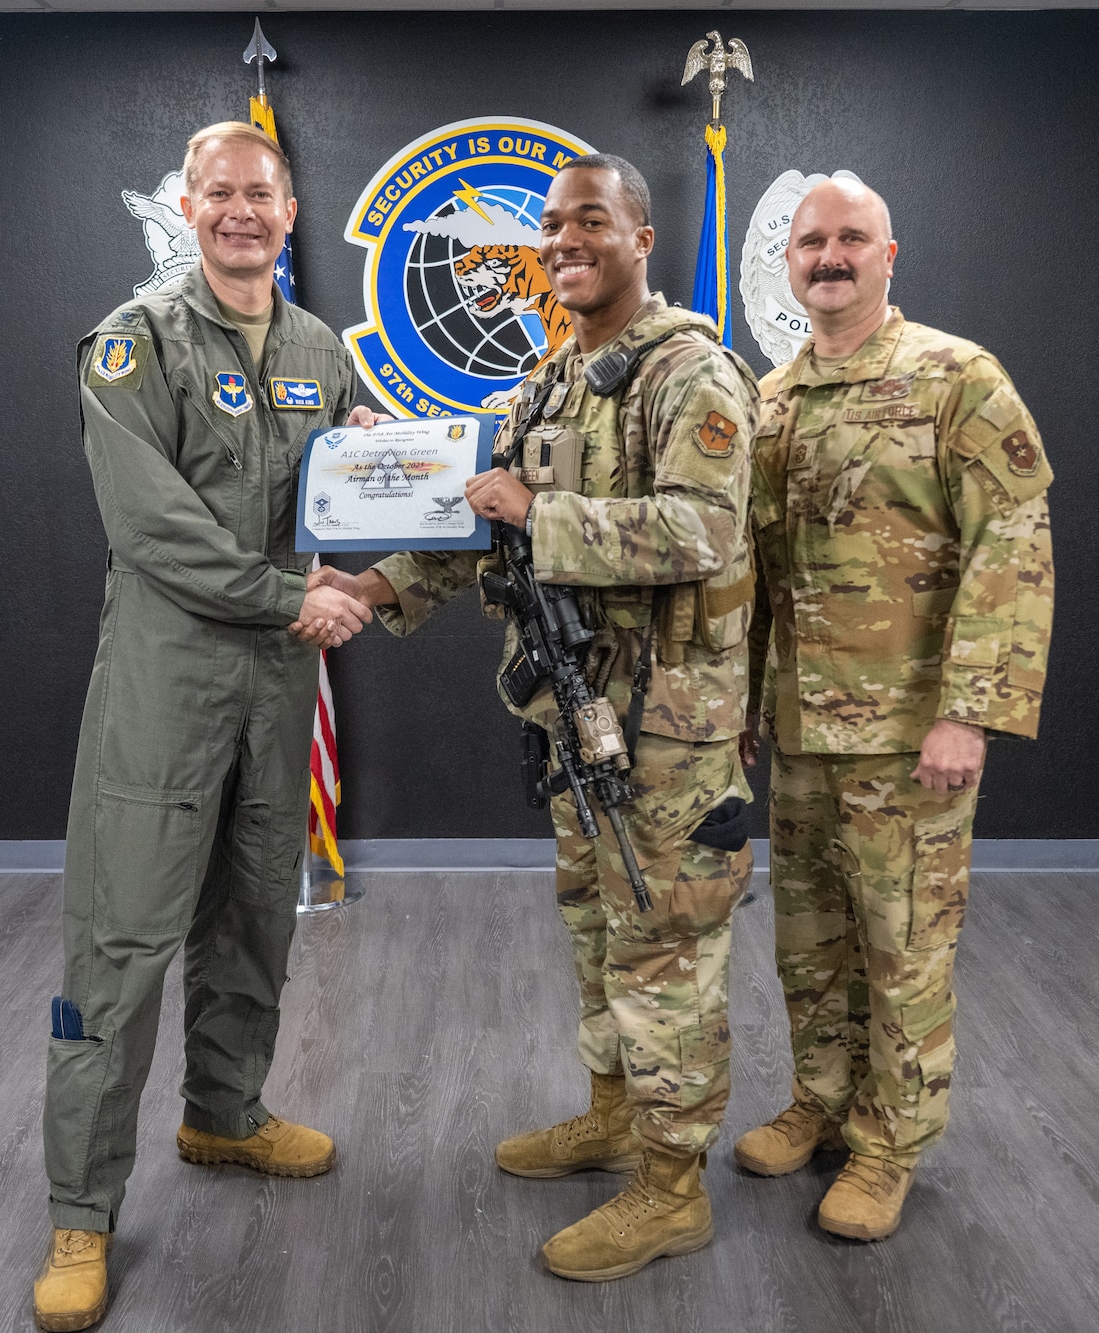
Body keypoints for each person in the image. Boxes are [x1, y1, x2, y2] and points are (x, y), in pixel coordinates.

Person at [307, 154, 761, 1282]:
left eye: (588, 221)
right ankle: (612, 1116)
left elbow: (703, 532)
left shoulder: (689, 371)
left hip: (665, 727)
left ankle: (670, 1190)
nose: (562, 240)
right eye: (550, 225)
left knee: (662, 952)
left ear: (639, 237)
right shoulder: (551, 378)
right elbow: (481, 524)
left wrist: (542, 509)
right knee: (595, 935)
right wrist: (370, 589)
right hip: (573, 714)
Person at [33, 121, 379, 1333]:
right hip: (165, 696)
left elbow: (359, 476)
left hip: (276, 696)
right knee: (121, 949)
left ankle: (223, 1114)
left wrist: (434, 495)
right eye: (219, 193)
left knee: (248, 924)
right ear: (187, 209)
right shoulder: (132, 349)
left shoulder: (317, 349)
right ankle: (81, 1210)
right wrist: (299, 595)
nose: (241, 211)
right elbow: (155, 531)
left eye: (261, 194)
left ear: (290, 214)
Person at [733, 174, 1055, 1240]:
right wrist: (740, 710)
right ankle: (820, 1104)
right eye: (810, 242)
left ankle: (887, 1145)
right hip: (798, 731)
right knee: (809, 939)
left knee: (902, 947)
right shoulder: (770, 400)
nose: (828, 255)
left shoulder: (955, 377)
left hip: (907, 736)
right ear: (789, 263)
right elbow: (756, 575)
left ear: (888, 253)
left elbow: (1012, 546)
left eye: (850, 238)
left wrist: (969, 712)